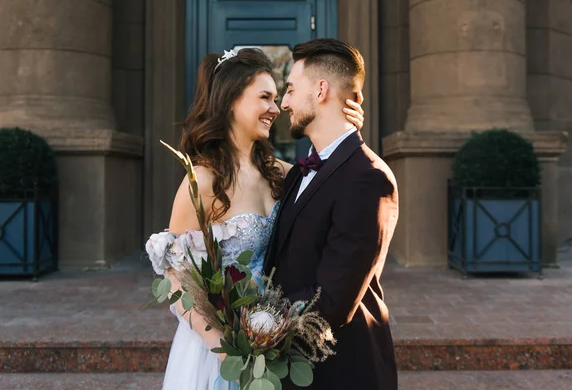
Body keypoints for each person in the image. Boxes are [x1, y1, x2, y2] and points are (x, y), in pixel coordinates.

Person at [146, 47, 364, 390]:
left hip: (273, 343)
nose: (276, 109)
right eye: (265, 97)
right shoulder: (202, 182)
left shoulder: (281, 174)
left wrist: (346, 132)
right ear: (231, 100)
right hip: (218, 350)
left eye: (278, 98)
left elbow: (334, 178)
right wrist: (227, 352)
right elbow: (177, 281)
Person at [264, 38, 399, 389]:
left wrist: (255, 319)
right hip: (292, 366)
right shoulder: (301, 171)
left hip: (339, 371)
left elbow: (334, 301)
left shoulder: (368, 177)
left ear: (321, 90)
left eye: (290, 89)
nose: (284, 102)